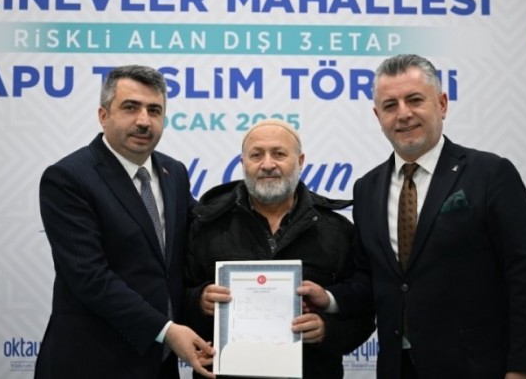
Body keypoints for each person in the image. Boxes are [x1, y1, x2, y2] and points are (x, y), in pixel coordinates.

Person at [298, 54, 526, 379]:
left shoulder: (490, 174)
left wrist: (525, 369)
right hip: (397, 368)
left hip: (478, 367)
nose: (403, 114)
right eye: (390, 105)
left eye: (415, 100)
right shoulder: (366, 188)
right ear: (378, 116)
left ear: (442, 104)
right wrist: (329, 298)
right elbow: (369, 279)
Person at [35, 65, 215, 379]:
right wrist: (166, 331)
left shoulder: (174, 172)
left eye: (154, 110)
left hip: (159, 365)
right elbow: (90, 277)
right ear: (103, 115)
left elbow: (202, 235)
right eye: (131, 107)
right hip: (93, 362)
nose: (144, 121)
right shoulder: (68, 178)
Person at [184, 118, 376, 379]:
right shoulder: (207, 225)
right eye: (256, 155)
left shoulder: (337, 231)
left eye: (279, 154)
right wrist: (198, 300)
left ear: (300, 161)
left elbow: (364, 313)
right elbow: (174, 299)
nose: (267, 164)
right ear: (242, 163)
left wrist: (328, 330)